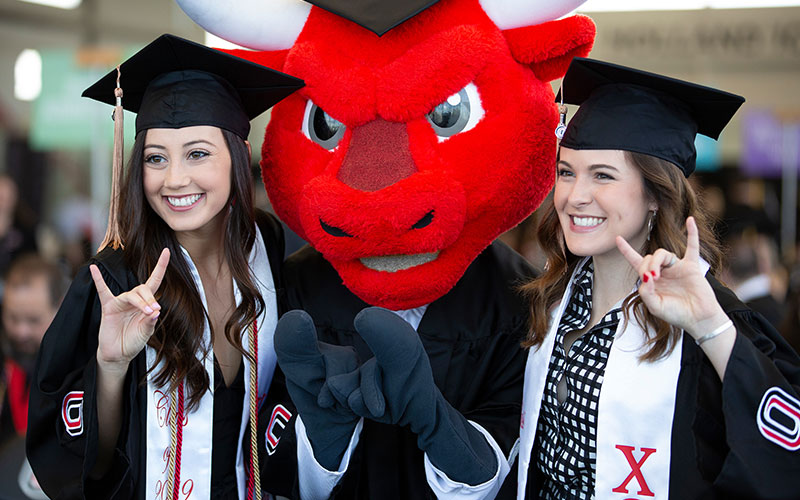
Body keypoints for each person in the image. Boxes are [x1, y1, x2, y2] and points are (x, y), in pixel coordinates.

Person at [503, 58, 800, 499]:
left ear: (656, 196)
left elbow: (782, 457)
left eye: (602, 175)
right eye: (566, 172)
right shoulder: (546, 300)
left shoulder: (709, 320)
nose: (574, 196)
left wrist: (710, 328)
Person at [26, 34, 303, 500]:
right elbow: (90, 465)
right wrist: (110, 367)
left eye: (197, 153)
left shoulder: (269, 248)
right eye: (156, 158)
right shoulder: (114, 282)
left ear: (236, 158)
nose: (174, 179)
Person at [1, 253, 67, 446]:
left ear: (60, 308)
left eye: (33, 320)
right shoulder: (5, 358)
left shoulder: (76, 369)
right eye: (12, 318)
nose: (21, 331)